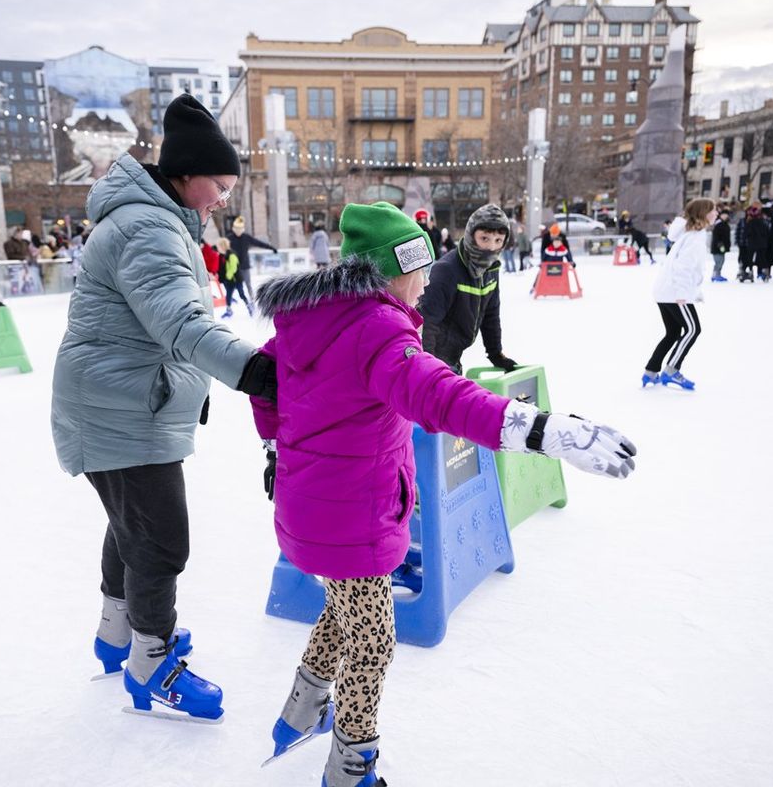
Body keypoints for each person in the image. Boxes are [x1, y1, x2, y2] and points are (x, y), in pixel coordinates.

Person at [249, 200, 637, 787]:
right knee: (374, 643)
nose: (428, 281)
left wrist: (275, 449)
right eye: (419, 269)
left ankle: (300, 712)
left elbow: (265, 384)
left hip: (312, 510)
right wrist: (542, 430)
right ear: (390, 270)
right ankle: (351, 766)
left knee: (346, 607)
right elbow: (442, 396)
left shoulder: (310, 319)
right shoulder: (376, 328)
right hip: (353, 517)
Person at [50, 94, 278, 724]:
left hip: (115, 397)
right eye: (221, 183)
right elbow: (179, 320)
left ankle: (115, 633)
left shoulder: (153, 220)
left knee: (132, 526)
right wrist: (260, 372)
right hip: (118, 403)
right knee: (159, 541)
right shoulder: (149, 228)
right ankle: (151, 663)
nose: (224, 197)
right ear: (185, 174)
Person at [420, 204, 520, 375]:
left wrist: (496, 353)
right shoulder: (447, 270)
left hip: (454, 356)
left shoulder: (490, 270)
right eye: (484, 238)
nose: (491, 248)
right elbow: (427, 321)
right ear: (470, 236)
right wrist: (427, 367)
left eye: (498, 241)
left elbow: (491, 314)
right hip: (434, 358)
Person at [642, 198, 715, 391]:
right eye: (713, 210)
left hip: (665, 290)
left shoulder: (688, 234)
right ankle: (671, 370)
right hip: (675, 292)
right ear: (704, 213)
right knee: (692, 330)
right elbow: (683, 268)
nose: (716, 213)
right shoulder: (695, 237)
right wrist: (684, 294)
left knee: (673, 332)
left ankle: (651, 371)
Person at [227, 215, 276, 306]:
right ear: (233, 228)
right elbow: (222, 246)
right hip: (234, 268)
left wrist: (271, 247)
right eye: (236, 228)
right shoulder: (229, 238)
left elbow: (259, 243)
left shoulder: (246, 237)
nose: (238, 231)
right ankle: (229, 302)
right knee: (232, 285)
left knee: (248, 285)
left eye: (240, 228)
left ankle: (252, 301)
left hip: (245, 266)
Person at [217, 237, 249, 318]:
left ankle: (249, 306)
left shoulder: (231, 254)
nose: (218, 248)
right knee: (228, 296)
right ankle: (229, 310)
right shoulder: (223, 255)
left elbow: (233, 267)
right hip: (230, 281)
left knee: (241, 294)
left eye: (219, 246)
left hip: (236, 279)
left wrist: (228, 276)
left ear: (223, 246)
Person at [741, 203, 769, 283]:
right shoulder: (763, 222)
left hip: (752, 243)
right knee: (761, 258)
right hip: (762, 244)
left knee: (750, 258)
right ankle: (763, 271)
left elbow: (745, 234)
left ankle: (750, 271)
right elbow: (767, 233)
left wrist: (744, 240)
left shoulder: (750, 223)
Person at [710, 210, 732, 282]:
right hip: (717, 247)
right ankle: (715, 275)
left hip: (723, 247)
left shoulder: (725, 224)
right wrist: (720, 246)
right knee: (718, 262)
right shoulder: (718, 224)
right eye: (724, 215)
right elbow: (717, 237)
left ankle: (718, 274)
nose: (725, 216)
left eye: (726, 215)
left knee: (721, 261)